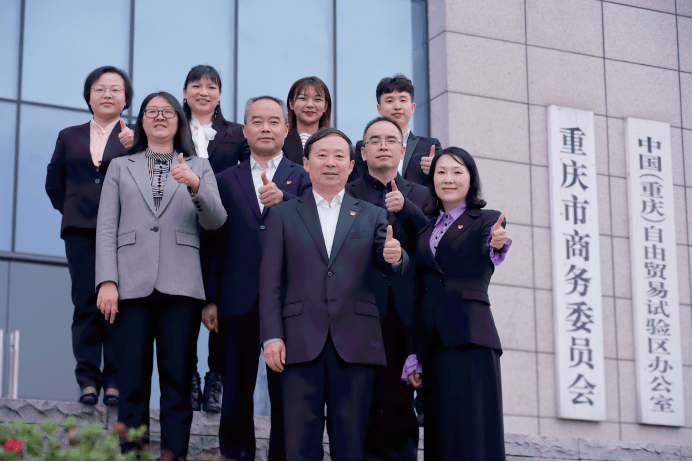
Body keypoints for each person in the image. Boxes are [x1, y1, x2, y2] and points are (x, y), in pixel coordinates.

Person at [260, 127, 407, 460]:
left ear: (351, 164)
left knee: (351, 444)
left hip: (355, 344)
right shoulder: (283, 215)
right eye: (322, 155)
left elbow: (390, 262)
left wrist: (396, 258)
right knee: (299, 443)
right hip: (297, 344)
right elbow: (270, 282)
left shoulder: (373, 215)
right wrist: (271, 337)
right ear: (307, 163)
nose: (330, 162)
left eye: (339, 156)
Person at [95, 91, 226, 459]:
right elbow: (106, 228)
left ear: (178, 121)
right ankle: (132, 456)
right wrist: (107, 280)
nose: (160, 117)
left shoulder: (199, 166)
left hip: (181, 288)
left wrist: (194, 185)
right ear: (142, 120)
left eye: (167, 112)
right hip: (131, 288)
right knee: (132, 384)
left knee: (177, 384)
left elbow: (217, 220)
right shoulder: (121, 167)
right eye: (152, 111)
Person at [200, 96, 311, 461]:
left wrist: (288, 204)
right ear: (244, 130)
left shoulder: (305, 180)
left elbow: (318, 233)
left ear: (286, 128)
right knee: (236, 389)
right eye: (257, 121)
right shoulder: (223, 180)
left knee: (286, 390)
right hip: (237, 298)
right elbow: (213, 243)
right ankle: (236, 455)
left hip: (290, 302)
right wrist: (211, 298)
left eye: (274, 121)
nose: (266, 127)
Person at [404, 147, 511, 460]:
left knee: (475, 431)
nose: (448, 179)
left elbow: (491, 246)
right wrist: (414, 353)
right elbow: (419, 293)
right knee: (441, 434)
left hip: (471, 339)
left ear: (471, 179)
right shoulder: (425, 228)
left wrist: (497, 244)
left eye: (457, 172)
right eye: (441, 172)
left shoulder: (487, 220)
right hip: (434, 343)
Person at [45, 66, 134, 407]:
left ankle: (113, 380)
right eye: (100, 89)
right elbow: (55, 182)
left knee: (118, 305)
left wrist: (137, 146)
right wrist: (72, 210)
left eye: (115, 89)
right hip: (80, 231)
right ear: (89, 96)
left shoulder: (135, 137)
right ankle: (87, 379)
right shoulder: (69, 135)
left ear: (126, 98)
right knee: (85, 303)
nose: (108, 94)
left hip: (124, 233)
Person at [345, 116, 433, 460]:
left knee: (399, 404)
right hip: (357, 309)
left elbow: (433, 247)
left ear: (401, 150)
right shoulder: (347, 192)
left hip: (403, 314)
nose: (383, 145)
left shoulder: (423, 195)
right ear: (363, 152)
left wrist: (408, 211)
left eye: (390, 140)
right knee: (358, 402)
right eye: (375, 140)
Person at [182, 64, 250, 413]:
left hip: (223, 229)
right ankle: (189, 377)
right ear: (185, 92)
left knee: (220, 303)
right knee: (183, 306)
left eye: (211, 86)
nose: (203, 92)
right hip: (178, 227)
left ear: (220, 95)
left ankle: (216, 379)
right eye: (196, 85)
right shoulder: (171, 128)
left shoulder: (238, 134)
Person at [348, 74, 442, 185]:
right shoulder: (364, 146)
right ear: (379, 109)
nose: (397, 106)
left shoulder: (429, 146)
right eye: (389, 101)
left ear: (412, 107)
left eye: (403, 100)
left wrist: (438, 170)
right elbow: (354, 187)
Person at [283, 76, 332, 164]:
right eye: (303, 98)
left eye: (317, 99)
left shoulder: (336, 142)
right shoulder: (279, 142)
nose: (310, 105)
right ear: (291, 104)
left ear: (325, 106)